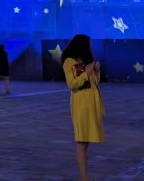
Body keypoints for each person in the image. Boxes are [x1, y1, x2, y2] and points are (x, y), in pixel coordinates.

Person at [61, 34, 105, 181]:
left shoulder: (84, 61)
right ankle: (84, 178)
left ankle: (84, 177)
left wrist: (96, 71)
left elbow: (94, 82)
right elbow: (72, 84)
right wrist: (86, 73)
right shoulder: (69, 61)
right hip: (81, 104)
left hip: (91, 102)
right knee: (81, 142)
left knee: (86, 142)